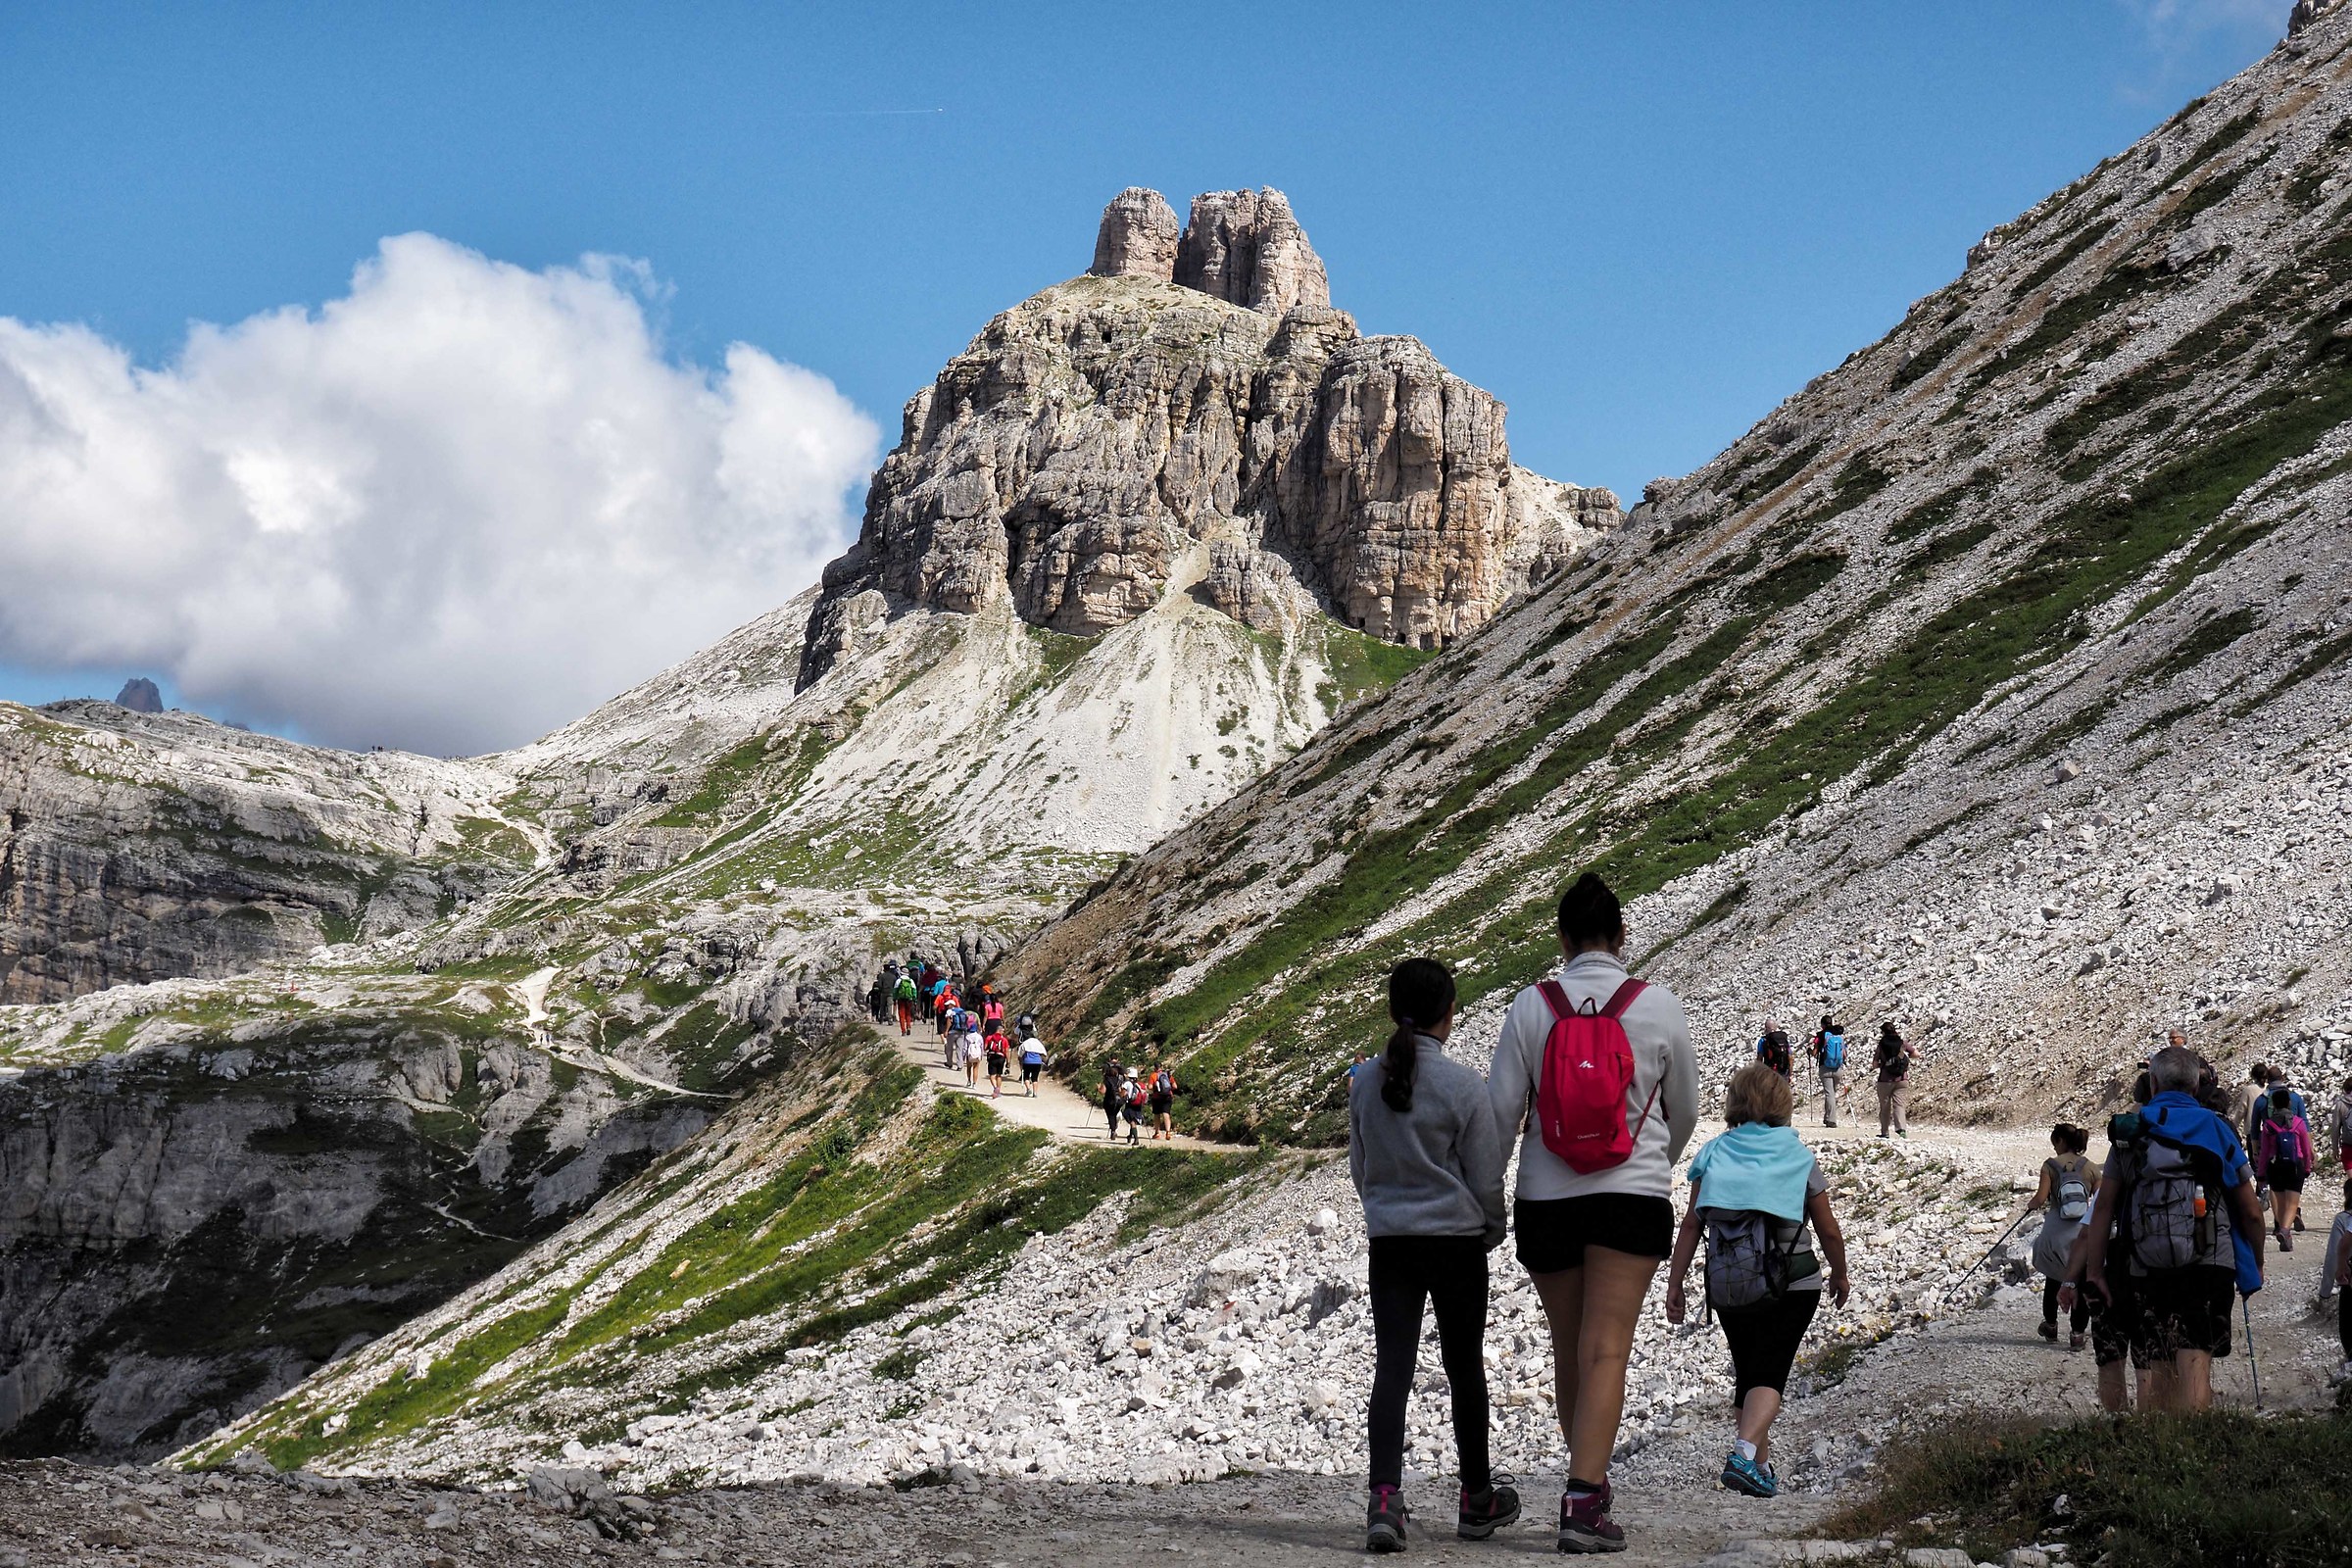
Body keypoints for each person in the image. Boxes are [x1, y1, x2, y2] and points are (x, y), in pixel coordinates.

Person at [1488, 872, 1698, 1553]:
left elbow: (1500, 1111)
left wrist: (1490, 1189)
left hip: (1546, 1199)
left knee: (1569, 1344)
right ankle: (1583, 1498)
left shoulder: (1531, 1005)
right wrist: (1651, 1163)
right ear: (1622, 935)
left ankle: (1589, 1481)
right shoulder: (1659, 1006)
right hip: (1628, 1196)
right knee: (1607, 1345)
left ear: (1562, 939)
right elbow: (1686, 1110)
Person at [1350, 956, 1517, 1553]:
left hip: (1391, 1242)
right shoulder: (1464, 1085)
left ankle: (1385, 1499)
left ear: (1395, 1012)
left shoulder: (1365, 1081)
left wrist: (1388, 1211)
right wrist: (1491, 1228)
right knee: (1464, 1366)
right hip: (1455, 1245)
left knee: (1392, 1366)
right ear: (1450, 1014)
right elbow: (1485, 1175)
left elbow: (1361, 1168)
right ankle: (1476, 1497)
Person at [1664, 1063, 1849, 1499]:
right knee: (1770, 1373)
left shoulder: (1712, 1153)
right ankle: (1743, 1456)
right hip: (1792, 1283)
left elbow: (1691, 1226)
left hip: (1729, 1284)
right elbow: (1828, 1229)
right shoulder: (1797, 1155)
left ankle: (1759, 1471)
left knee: (1748, 1376)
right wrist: (1839, 1273)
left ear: (1735, 1102)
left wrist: (1676, 1285)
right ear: (1782, 1105)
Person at [2081, 1046, 2266, 1412]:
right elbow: (2251, 1211)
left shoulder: (2131, 1131)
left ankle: (2158, 1455)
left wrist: (2094, 1271)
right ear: (2197, 1086)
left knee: (2159, 1366)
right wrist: (2255, 1261)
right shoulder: (2216, 1128)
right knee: (2195, 1363)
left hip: (2145, 1266)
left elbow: (2103, 1207)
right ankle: (2194, 1452)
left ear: (2152, 1083)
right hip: (2209, 1262)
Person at [2029, 1124, 2098, 1348]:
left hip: (2055, 1230)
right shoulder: (2091, 1168)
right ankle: (2077, 1335)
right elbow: (2100, 1201)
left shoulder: (2050, 1166)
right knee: (2078, 1280)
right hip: (2082, 1231)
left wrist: (2031, 1206)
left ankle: (2050, 1326)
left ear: (2059, 1141)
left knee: (2053, 1277)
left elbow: (2040, 1198)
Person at [2255, 1085, 2314, 1250]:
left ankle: (2285, 1235)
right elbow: (2306, 1149)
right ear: (2289, 1103)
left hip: (2275, 1167)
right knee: (2292, 1203)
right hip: (2295, 1166)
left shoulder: (2268, 1126)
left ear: (2273, 1104)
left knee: (2281, 1203)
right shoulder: (2298, 1123)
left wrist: (2260, 1175)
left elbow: (2264, 1152)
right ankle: (2286, 1230)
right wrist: (2308, 1167)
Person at [1873, 1023, 1912, 1138]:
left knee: (1885, 1107)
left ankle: (1885, 1133)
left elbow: (1875, 1064)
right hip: (1902, 1079)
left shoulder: (1881, 1044)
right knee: (1899, 1105)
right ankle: (1901, 1129)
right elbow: (1915, 1053)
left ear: (1883, 1032)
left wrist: (1884, 1065)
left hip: (1885, 1080)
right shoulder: (1902, 1043)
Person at [1810, 1017, 1846, 1129]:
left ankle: (1831, 1120)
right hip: (1838, 1069)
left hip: (1825, 1068)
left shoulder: (1820, 1035)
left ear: (1822, 1025)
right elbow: (1844, 1054)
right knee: (1832, 1093)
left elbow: (1815, 1053)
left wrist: (1810, 1051)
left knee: (1829, 1094)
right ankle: (1827, 1117)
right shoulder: (1839, 1035)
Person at [1016, 1023, 1047, 1097]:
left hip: (1027, 1061)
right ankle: (1035, 1093)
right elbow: (1044, 1053)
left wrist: (1021, 1059)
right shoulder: (1038, 1043)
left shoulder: (1025, 1043)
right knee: (1035, 1078)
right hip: (1037, 1062)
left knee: (1026, 1076)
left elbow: (1020, 1053)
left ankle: (1028, 1090)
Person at [1149, 1064, 1178, 1140]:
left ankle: (1157, 1133)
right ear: (1161, 1067)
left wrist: (1156, 1088)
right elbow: (1175, 1086)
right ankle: (1168, 1132)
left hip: (1157, 1097)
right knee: (1166, 1114)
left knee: (1157, 1115)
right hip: (1168, 1096)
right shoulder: (1167, 1075)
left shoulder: (1153, 1075)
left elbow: (1150, 1087)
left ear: (1155, 1068)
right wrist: (1167, 1089)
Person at [984, 1021, 1010, 1100]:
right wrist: (1008, 1062)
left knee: (992, 1075)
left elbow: (985, 1048)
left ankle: (995, 1088)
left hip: (992, 1057)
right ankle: (998, 1090)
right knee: (999, 1075)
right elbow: (1006, 1051)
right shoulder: (1004, 1040)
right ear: (1000, 1030)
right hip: (1001, 1058)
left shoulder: (989, 1038)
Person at [1101, 1060, 1126, 1141]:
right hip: (1118, 1101)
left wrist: (1098, 1088)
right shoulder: (1119, 1080)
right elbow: (1122, 1090)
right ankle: (1114, 1127)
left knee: (1110, 1115)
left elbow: (1103, 1091)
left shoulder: (1106, 1080)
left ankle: (1113, 1130)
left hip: (1109, 1100)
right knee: (1114, 1114)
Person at [1121, 1069, 1146, 1146]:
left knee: (1132, 1122)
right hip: (1139, 1105)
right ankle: (1130, 1136)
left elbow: (1123, 1094)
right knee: (1134, 1121)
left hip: (1130, 1104)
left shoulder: (1127, 1083)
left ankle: (1136, 1139)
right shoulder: (1140, 1084)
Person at [892, 970, 919, 1036]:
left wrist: (894, 999)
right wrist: (914, 999)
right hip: (909, 999)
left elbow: (895, 991)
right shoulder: (911, 981)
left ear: (901, 973)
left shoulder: (898, 981)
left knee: (901, 1015)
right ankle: (908, 1027)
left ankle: (903, 1030)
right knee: (908, 1014)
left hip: (901, 999)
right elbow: (914, 990)